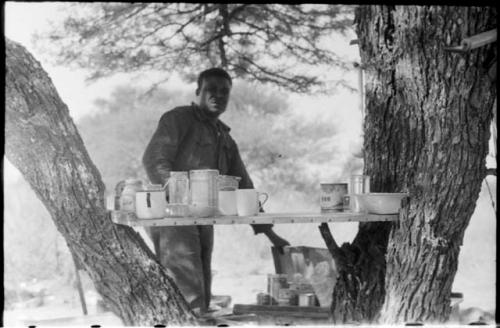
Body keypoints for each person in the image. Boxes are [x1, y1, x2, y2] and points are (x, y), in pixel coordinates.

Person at [142, 67, 290, 314]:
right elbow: (153, 160)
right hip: (173, 217)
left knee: (203, 288)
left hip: (203, 216)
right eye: (211, 89)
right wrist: (182, 197)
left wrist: (270, 234)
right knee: (187, 291)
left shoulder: (224, 136)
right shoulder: (178, 118)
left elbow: (244, 185)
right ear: (198, 91)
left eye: (224, 92)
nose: (218, 95)